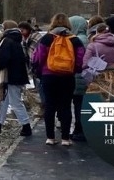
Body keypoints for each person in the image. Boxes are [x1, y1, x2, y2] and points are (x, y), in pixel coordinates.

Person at [31, 13, 85, 146]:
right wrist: (74, 70)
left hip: (48, 76)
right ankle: (65, 138)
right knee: (65, 106)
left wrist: (39, 72)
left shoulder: (46, 38)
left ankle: (50, 137)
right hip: (67, 77)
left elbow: (38, 57)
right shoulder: (74, 40)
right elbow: (80, 58)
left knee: (50, 105)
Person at [0, 20, 31, 136]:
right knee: (4, 100)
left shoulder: (7, 41)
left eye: (3, 27)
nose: (1, 30)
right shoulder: (17, 40)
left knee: (15, 102)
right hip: (17, 75)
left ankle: (26, 125)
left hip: (11, 76)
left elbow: (4, 58)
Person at [68, 15, 90, 142]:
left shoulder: (76, 40)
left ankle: (79, 130)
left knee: (78, 106)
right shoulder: (87, 39)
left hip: (77, 77)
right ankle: (80, 129)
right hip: (87, 77)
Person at [18, 21, 45, 110]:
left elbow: (36, 52)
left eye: (22, 30)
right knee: (38, 85)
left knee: (40, 86)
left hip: (39, 65)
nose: (21, 32)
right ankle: (43, 103)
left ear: (27, 29)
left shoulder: (35, 37)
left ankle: (44, 105)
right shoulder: (25, 39)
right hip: (33, 65)